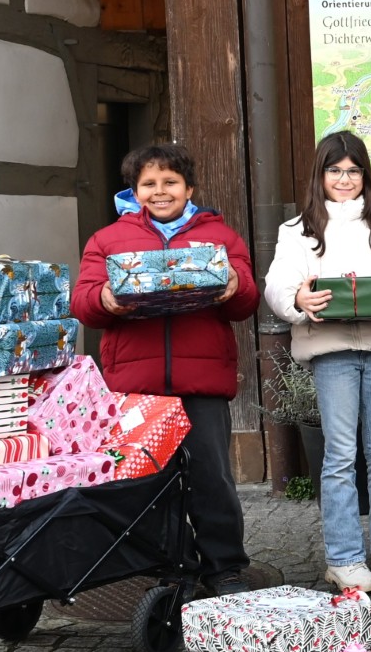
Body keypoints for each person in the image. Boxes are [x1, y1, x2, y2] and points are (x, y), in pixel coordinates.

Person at [73, 144, 259, 596]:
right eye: (149, 184)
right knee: (149, 480)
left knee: (211, 478)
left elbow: (246, 302)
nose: (160, 191)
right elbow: (82, 303)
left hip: (203, 385)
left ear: (189, 188)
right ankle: (172, 566)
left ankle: (225, 567)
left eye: (170, 182)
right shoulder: (108, 240)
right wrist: (104, 298)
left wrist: (235, 284)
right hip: (137, 388)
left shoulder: (219, 236)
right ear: (135, 192)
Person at [262, 132, 371, 593]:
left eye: (353, 170)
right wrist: (298, 300)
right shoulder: (298, 230)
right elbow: (279, 284)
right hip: (331, 351)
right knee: (340, 456)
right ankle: (344, 557)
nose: (344, 179)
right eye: (335, 170)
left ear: (365, 175)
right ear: (320, 174)